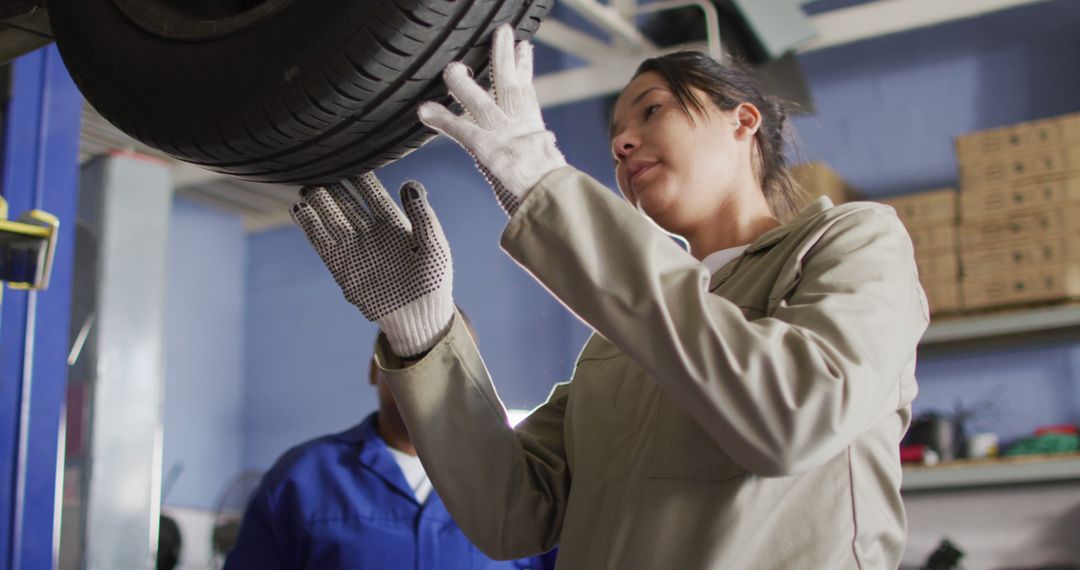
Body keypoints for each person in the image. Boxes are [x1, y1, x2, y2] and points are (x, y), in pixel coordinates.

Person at [290, 25, 928, 569]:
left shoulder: (852, 242)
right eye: (615, 135)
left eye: (652, 111)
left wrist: (544, 184)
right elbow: (513, 514)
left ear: (744, 121)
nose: (621, 145)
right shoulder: (619, 344)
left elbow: (795, 414)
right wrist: (423, 335)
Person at [224, 327, 555, 569]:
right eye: (405, 353)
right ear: (374, 369)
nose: (421, 373)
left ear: (472, 377)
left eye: (443, 362)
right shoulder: (300, 478)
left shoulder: (519, 480)